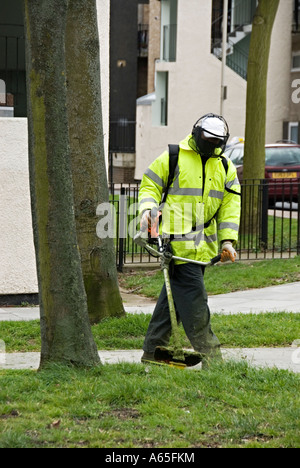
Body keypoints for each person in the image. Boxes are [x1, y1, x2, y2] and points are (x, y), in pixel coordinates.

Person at [138, 113, 241, 366]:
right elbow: (150, 184)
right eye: (208, 140)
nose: (213, 146)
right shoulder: (174, 157)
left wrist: (227, 241)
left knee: (170, 302)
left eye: (218, 142)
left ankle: (152, 353)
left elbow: (230, 206)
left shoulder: (226, 167)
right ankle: (212, 358)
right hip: (176, 247)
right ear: (197, 134)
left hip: (202, 247)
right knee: (195, 304)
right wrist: (147, 211)